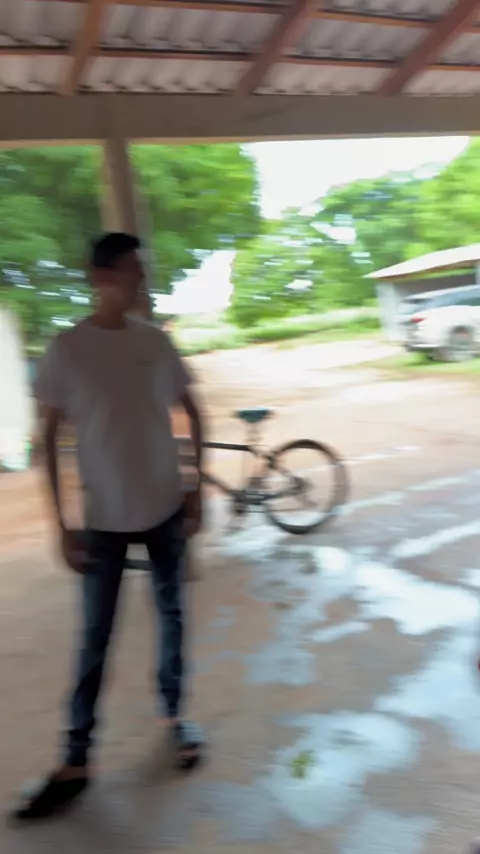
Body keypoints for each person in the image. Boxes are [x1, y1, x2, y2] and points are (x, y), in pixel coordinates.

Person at [13, 233, 205, 820]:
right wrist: (60, 525)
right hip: (104, 522)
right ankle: (76, 759)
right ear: (99, 276)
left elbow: (193, 410)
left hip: (165, 509)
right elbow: (47, 437)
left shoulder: (154, 342)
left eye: (141, 271)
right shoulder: (68, 349)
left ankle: (173, 717)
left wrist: (195, 487)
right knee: (95, 637)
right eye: (130, 271)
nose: (140, 280)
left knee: (172, 615)